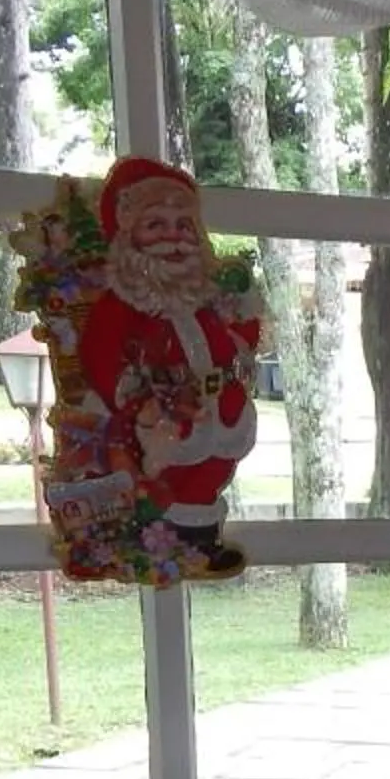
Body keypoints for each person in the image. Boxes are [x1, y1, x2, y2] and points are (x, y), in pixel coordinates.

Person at [77, 156, 261, 575]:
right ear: (129, 235)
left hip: (222, 401)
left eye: (183, 225)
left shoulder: (208, 293)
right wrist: (131, 393)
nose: (173, 238)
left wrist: (244, 314)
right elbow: (100, 353)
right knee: (171, 472)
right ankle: (168, 545)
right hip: (163, 410)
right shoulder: (123, 302)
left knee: (215, 466)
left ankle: (203, 541)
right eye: (155, 226)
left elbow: (240, 336)